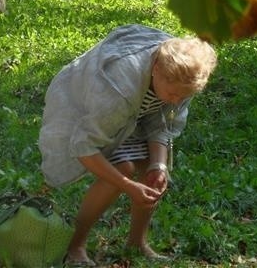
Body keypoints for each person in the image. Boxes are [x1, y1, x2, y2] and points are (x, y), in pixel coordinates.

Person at [38, 24, 217, 266]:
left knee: (148, 169)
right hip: (86, 109)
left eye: (183, 97)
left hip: (134, 114)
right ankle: (75, 245)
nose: (177, 101)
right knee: (123, 169)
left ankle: (137, 242)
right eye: (173, 94)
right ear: (156, 69)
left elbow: (162, 124)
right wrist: (127, 186)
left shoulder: (182, 80)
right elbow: (84, 147)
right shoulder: (118, 89)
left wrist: (159, 166)